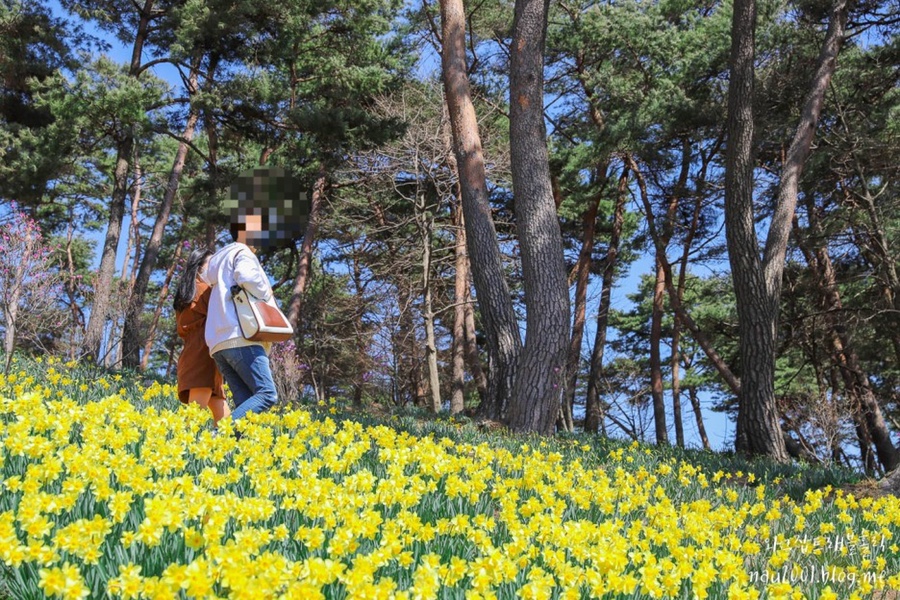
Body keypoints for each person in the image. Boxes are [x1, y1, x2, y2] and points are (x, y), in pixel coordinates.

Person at [199, 215, 279, 422]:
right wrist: (266, 293)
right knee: (266, 394)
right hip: (242, 336)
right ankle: (219, 436)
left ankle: (234, 451)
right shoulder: (242, 252)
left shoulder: (218, 260)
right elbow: (247, 277)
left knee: (246, 404)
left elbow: (207, 279)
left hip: (219, 343)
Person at [173, 248, 231, 424]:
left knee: (223, 416)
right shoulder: (206, 291)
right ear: (199, 268)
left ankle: (230, 449)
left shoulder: (186, 295)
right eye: (211, 265)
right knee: (194, 418)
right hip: (203, 356)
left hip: (194, 354)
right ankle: (178, 448)